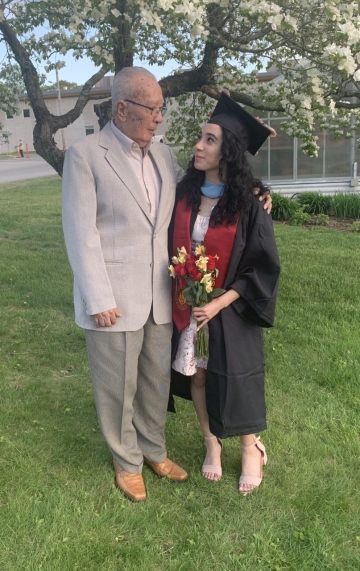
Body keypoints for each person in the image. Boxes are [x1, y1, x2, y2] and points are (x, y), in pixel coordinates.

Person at [62, 67, 273, 503]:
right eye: (153, 110)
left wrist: (256, 190)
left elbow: (206, 187)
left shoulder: (160, 153)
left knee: (156, 383)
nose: (160, 118)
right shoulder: (86, 154)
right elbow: (81, 233)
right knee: (117, 387)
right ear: (123, 109)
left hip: (163, 298)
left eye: (161, 109)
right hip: (114, 298)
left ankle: (155, 450)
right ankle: (127, 461)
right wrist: (97, 296)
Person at [170, 92, 280, 494]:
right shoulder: (183, 193)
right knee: (198, 377)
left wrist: (219, 301)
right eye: (200, 137)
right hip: (191, 306)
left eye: (210, 140)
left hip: (229, 307)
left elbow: (260, 265)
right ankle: (211, 443)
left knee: (237, 376)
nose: (198, 146)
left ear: (228, 150)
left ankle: (252, 447)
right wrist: (196, 298)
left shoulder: (249, 204)